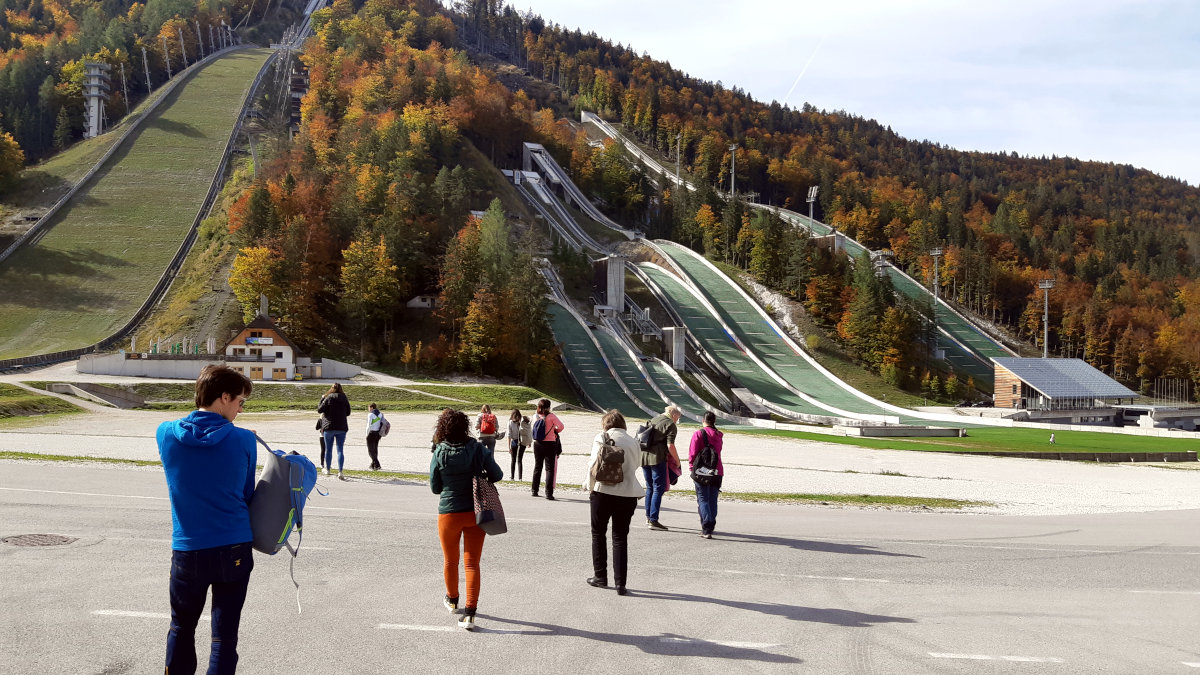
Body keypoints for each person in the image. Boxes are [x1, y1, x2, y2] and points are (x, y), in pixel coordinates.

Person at [157, 365, 256, 673]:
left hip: (189, 548)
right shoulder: (244, 440)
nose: (241, 409)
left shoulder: (165, 433)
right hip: (233, 546)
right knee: (224, 638)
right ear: (223, 397)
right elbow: (246, 494)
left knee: (181, 628)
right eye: (240, 401)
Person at [430, 409, 504, 630]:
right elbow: (497, 475)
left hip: (449, 513)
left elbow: (435, 488)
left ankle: (452, 600)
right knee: (472, 563)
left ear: (442, 428)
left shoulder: (439, 452)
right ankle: (470, 613)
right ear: (466, 426)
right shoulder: (477, 449)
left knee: (450, 560)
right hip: (475, 511)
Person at [583, 410, 644, 596]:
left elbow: (594, 464)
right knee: (620, 538)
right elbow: (637, 464)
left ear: (606, 424)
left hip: (604, 491)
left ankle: (600, 576)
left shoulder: (602, 437)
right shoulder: (634, 441)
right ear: (623, 423)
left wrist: (588, 486)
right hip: (628, 493)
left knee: (598, 533)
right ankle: (621, 583)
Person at [642, 405, 681, 531]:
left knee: (649, 487)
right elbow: (670, 446)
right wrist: (677, 461)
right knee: (658, 488)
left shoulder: (653, 420)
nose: (677, 421)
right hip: (657, 458)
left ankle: (648, 517)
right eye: (678, 418)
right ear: (674, 415)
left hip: (644, 457)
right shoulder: (670, 424)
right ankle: (653, 519)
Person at [688, 411, 724, 539]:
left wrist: (691, 467)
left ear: (703, 420)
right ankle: (711, 524)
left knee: (703, 498)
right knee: (713, 499)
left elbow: (693, 452)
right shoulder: (719, 435)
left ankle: (706, 527)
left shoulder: (699, 433)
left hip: (701, 470)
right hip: (717, 470)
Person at [531, 398, 565, 500]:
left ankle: (534, 490)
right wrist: (555, 430)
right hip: (550, 444)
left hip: (537, 444)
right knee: (550, 469)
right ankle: (548, 493)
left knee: (538, 467)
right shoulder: (551, 416)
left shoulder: (535, 416)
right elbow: (561, 427)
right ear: (549, 407)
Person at [317, 383, 351, 479]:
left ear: (332, 388)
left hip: (329, 427)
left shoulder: (329, 397)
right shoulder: (344, 398)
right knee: (340, 450)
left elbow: (319, 410)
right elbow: (348, 412)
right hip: (342, 427)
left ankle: (327, 469)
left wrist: (322, 399)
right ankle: (340, 471)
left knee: (328, 449)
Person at [507, 409, 525, 480]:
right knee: (520, 460)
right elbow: (526, 432)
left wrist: (508, 447)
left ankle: (512, 477)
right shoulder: (522, 421)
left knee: (513, 460)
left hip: (514, 442)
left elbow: (509, 435)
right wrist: (529, 442)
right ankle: (520, 478)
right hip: (522, 442)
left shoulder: (510, 422)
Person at [366, 403, 384, 471]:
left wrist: (366, 434)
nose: (368, 409)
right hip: (378, 433)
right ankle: (373, 465)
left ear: (371, 408)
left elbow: (369, 425)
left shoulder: (370, 414)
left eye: (368, 407)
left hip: (371, 433)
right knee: (375, 449)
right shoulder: (380, 414)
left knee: (370, 450)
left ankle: (377, 464)